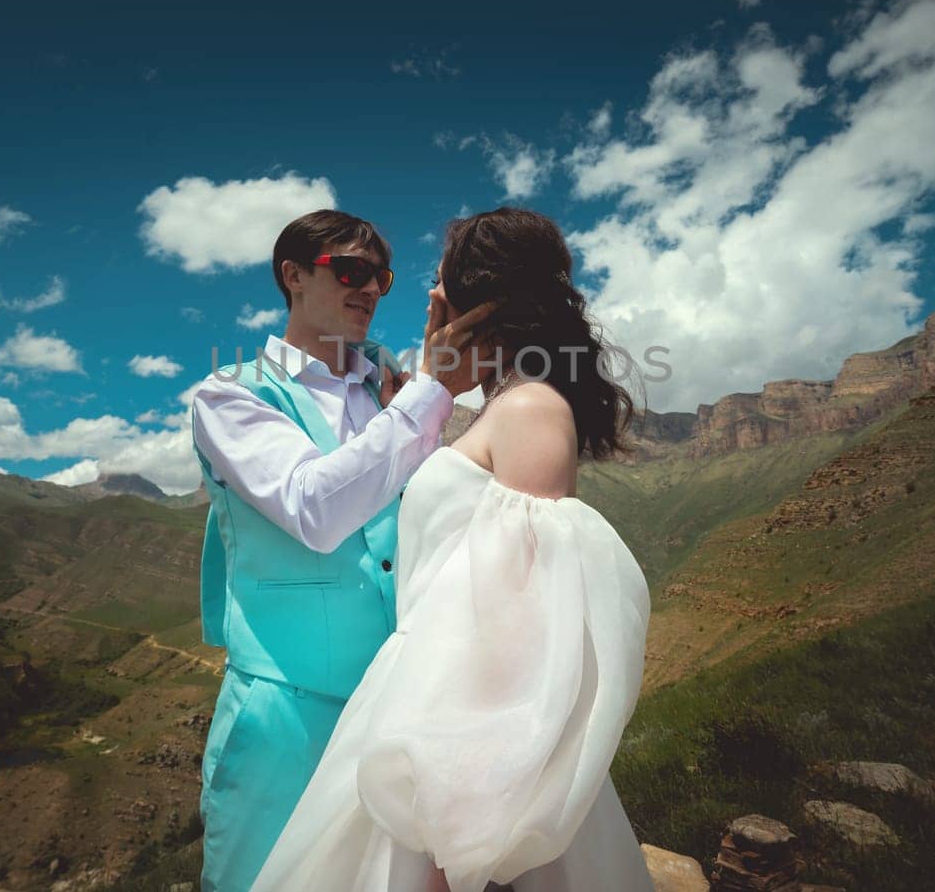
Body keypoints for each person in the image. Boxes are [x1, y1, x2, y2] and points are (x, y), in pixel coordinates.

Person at [251, 207, 655, 892]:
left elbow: (519, 634)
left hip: (456, 750)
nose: (418, 294)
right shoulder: (498, 408)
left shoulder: (529, 410)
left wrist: (459, 832)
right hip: (413, 716)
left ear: (477, 300)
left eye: (431, 281)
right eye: (357, 273)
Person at [189, 209, 496, 892]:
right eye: (351, 271)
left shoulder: (391, 385)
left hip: (393, 707)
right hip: (285, 721)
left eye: (380, 277)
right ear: (292, 275)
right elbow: (314, 506)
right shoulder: (229, 396)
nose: (370, 290)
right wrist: (429, 393)